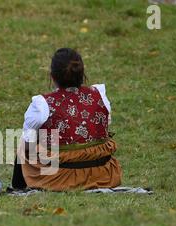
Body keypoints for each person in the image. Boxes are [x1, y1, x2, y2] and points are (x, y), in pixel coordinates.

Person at [12, 48, 122, 191]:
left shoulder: (42, 104)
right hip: (102, 175)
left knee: (24, 140)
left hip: (57, 178)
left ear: (52, 76)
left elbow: (28, 145)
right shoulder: (99, 95)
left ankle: (18, 186)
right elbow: (104, 127)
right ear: (82, 73)